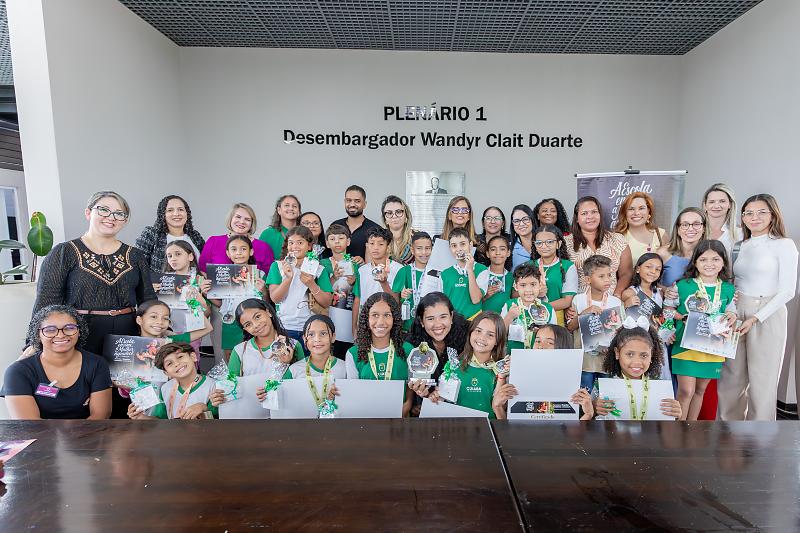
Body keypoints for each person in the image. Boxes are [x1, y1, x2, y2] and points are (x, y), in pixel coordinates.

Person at [32, 191, 155, 355]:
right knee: (85, 380)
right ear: (88, 213)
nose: (111, 217)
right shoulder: (64, 252)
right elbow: (46, 304)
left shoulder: (135, 256)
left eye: (119, 214)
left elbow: (148, 300)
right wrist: (34, 344)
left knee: (124, 381)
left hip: (127, 338)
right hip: (78, 338)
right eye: (103, 210)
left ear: (125, 221)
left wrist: (158, 333)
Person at [718, 194, 798, 421]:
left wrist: (756, 317)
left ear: (773, 214)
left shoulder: (784, 245)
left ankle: (760, 442)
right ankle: (728, 433)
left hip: (767, 313)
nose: (755, 218)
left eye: (762, 212)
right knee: (731, 378)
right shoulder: (739, 246)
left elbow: (788, 291)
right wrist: (732, 311)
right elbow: (732, 283)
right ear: (742, 217)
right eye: (749, 213)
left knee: (763, 381)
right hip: (737, 311)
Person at [2, 305, 112, 420]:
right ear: (38, 335)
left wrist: (76, 437)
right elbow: (29, 425)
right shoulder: (18, 372)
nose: (60, 335)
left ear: (79, 331)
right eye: (50, 330)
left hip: (90, 435)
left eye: (69, 328)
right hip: (39, 437)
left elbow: (100, 416)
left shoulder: (97, 364)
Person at [671, 240, 737, 421]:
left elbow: (731, 310)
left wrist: (732, 315)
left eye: (715, 259)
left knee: (700, 391)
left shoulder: (728, 289)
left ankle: (691, 431)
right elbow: (668, 309)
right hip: (685, 345)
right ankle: (677, 430)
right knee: (686, 391)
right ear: (695, 262)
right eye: (703, 259)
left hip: (713, 348)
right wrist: (674, 323)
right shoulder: (683, 285)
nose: (709, 264)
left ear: (723, 262)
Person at [422, 312, 507, 418]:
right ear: (470, 333)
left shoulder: (502, 371)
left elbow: (502, 415)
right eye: (478, 331)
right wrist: (436, 398)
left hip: (489, 430)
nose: (482, 337)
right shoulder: (453, 366)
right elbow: (441, 400)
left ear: (497, 341)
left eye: (490, 334)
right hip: (459, 430)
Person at [345, 293, 415, 415]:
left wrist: (407, 405)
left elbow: (411, 384)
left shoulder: (408, 350)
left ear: (395, 318)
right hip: (366, 418)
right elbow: (354, 391)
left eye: (387, 315)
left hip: (400, 419)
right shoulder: (353, 353)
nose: (381, 322)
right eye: (375, 315)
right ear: (366, 318)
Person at [593, 325, 682, 420]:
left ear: (651, 355)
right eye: (630, 354)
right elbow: (587, 418)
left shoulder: (659, 387)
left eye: (644, 356)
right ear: (617, 353)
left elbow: (668, 424)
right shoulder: (603, 386)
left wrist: (677, 415)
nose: (636, 362)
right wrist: (593, 407)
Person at [266, 226, 333, 350]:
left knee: (307, 366)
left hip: (311, 328)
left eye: (300, 242)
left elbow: (327, 301)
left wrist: (311, 284)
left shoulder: (318, 269)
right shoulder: (277, 266)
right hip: (284, 327)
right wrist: (288, 278)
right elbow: (275, 298)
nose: (295, 246)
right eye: (291, 243)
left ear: (309, 246)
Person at [203, 235, 267, 360]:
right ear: (228, 253)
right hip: (230, 323)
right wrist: (207, 294)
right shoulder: (222, 276)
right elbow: (221, 304)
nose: (238, 253)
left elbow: (267, 303)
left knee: (255, 357)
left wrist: (264, 290)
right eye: (234, 249)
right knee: (232, 359)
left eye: (243, 249)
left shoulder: (260, 275)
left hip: (256, 323)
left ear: (251, 251)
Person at [565, 255, 623, 391]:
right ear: (588, 279)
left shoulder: (616, 303)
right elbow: (570, 327)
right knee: (583, 395)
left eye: (609, 275)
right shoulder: (578, 300)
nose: (607, 280)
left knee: (607, 397)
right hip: (584, 361)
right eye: (601, 276)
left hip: (607, 360)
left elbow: (621, 333)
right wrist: (584, 313)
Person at [127, 342, 225, 420]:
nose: (177, 363)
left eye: (180, 357)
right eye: (169, 364)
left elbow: (220, 419)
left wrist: (204, 408)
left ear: (193, 357)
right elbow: (161, 421)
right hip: (174, 439)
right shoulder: (165, 389)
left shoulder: (213, 386)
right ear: (166, 373)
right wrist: (141, 417)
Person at [565, 196, 632, 297]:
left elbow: (626, 273)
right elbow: (561, 277)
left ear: (600, 215)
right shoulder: (566, 243)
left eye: (594, 212)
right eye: (584, 213)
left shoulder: (617, 239)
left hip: (612, 303)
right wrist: (569, 303)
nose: (590, 216)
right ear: (577, 218)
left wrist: (617, 294)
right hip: (579, 305)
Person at [406, 292, 469, 383]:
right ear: (422, 322)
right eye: (430, 319)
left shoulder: (467, 335)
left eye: (443, 317)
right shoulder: (412, 343)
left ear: (451, 317)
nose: (438, 324)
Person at [231, 299, 303, 377]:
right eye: (248, 324)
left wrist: (286, 363)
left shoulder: (293, 345)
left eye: (257, 317)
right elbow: (230, 385)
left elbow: (301, 381)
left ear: (268, 312)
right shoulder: (239, 351)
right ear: (245, 329)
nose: (255, 325)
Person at [352, 227, 403, 335]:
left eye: (380, 244)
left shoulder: (398, 269)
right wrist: (354, 328)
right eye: (372, 243)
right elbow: (357, 299)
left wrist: (384, 283)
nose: (375, 247)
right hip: (366, 321)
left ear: (388, 247)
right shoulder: (362, 270)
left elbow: (396, 301)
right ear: (366, 245)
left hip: (389, 321)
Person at [135, 194, 205, 272]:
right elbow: (137, 264)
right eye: (170, 210)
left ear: (187, 213)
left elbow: (205, 265)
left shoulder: (195, 236)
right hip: (161, 284)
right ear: (163, 215)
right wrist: (151, 283)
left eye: (180, 209)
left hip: (194, 284)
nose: (176, 214)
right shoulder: (152, 234)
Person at [198, 202, 274, 274]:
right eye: (238, 217)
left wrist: (263, 287)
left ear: (252, 224)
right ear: (231, 219)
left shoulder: (263, 247)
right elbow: (202, 270)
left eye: (247, 219)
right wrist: (203, 284)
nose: (241, 222)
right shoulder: (214, 242)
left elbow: (271, 277)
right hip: (216, 288)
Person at [321, 224, 359, 358]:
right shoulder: (323, 264)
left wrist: (354, 282)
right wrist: (334, 278)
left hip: (350, 315)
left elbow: (360, 291)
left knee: (349, 352)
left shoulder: (356, 264)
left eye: (341, 238)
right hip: (330, 314)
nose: (337, 242)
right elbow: (320, 290)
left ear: (348, 241)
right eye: (332, 239)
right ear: (326, 243)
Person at [530, 224, 579, 326]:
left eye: (550, 242)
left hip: (556, 317)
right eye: (539, 243)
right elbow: (515, 295)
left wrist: (539, 307)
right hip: (530, 318)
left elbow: (567, 301)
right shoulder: (528, 266)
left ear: (559, 244)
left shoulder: (568, 266)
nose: (544, 246)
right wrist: (536, 293)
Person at [502, 264, 557, 351]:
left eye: (533, 284)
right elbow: (500, 333)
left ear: (540, 285)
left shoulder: (548, 309)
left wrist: (541, 331)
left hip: (539, 356)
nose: (528, 290)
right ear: (516, 286)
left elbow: (554, 336)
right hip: (513, 355)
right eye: (523, 285)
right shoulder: (509, 305)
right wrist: (509, 316)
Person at [392, 231, 438, 331]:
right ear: (412, 250)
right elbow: (393, 300)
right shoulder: (404, 271)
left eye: (427, 248)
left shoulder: (437, 273)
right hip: (407, 327)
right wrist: (401, 296)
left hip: (431, 327)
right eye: (419, 248)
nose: (424, 252)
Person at [441, 228, 487, 320]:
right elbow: (442, 304)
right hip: (452, 323)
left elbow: (476, 299)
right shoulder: (444, 274)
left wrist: (470, 269)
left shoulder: (482, 270)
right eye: (454, 246)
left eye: (462, 244)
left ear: (470, 245)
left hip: (474, 321)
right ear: (450, 248)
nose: (459, 249)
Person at [613, 192, 668, 263]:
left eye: (641, 208)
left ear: (649, 211)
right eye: (631, 209)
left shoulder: (661, 234)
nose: (636, 213)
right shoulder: (617, 238)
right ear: (625, 213)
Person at [332, 185, 380, 264]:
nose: (352, 204)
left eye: (357, 201)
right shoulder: (335, 226)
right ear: (345, 202)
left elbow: (379, 259)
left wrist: (364, 263)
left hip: (364, 275)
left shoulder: (375, 229)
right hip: (337, 274)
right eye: (349, 200)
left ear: (364, 204)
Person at [135, 299, 213, 346]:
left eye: (165, 318)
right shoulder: (129, 343)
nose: (160, 322)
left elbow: (208, 328)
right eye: (153, 316)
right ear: (139, 320)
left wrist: (195, 305)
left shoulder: (172, 340)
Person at [620, 252, 664, 328]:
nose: (653, 271)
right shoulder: (630, 293)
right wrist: (625, 304)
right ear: (638, 269)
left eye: (658, 269)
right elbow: (619, 317)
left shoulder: (659, 293)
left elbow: (659, 318)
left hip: (655, 335)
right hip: (635, 334)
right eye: (648, 267)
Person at [702, 183, 742, 256]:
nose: (716, 206)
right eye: (712, 202)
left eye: (722, 201)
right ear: (705, 206)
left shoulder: (740, 233)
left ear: (730, 204)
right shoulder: (695, 230)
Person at [258, 194, 301, 260]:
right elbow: (260, 260)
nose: (291, 208)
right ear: (279, 210)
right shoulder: (267, 234)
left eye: (294, 206)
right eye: (287, 205)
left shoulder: (304, 233)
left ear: (298, 211)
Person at [478, 235, 513, 314]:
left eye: (502, 249)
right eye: (493, 249)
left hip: (503, 322)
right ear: (487, 253)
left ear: (508, 253)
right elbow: (471, 303)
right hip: (482, 320)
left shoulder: (512, 277)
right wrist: (485, 296)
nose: (498, 253)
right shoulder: (480, 274)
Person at [381, 195, 415, 264]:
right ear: (385, 220)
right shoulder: (378, 239)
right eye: (389, 213)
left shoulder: (417, 237)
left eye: (399, 212)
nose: (394, 216)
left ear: (406, 217)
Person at [509, 204, 536, 271]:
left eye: (525, 219)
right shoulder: (508, 249)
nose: (521, 224)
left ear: (532, 220)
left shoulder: (544, 243)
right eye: (516, 221)